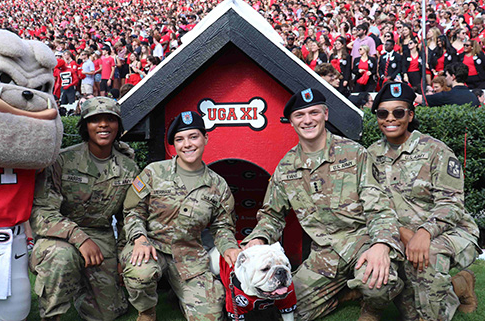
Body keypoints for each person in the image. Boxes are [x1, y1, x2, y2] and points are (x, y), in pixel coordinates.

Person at [242, 88, 404, 321]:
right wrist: (259, 238)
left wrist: (381, 245)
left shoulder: (353, 154)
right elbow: (271, 215)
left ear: (325, 114)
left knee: (379, 285)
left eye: (314, 112)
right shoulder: (286, 168)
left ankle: (372, 307)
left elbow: (379, 207)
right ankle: (346, 292)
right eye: (300, 115)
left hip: (361, 244)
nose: (308, 120)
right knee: (288, 312)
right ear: (291, 121)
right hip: (324, 256)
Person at [368, 82, 481, 321]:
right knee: (404, 301)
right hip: (399, 234)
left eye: (399, 112)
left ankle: (441, 301)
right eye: (383, 113)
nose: (391, 118)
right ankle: (457, 285)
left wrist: (424, 232)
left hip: (448, 231)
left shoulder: (435, 151)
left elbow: (451, 204)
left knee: (427, 262)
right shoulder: (370, 155)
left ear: (410, 115)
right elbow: (370, 203)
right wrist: (402, 232)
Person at [121, 111, 240, 321]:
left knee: (210, 316)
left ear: (205, 138)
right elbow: (133, 211)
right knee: (141, 274)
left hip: (189, 254)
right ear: (174, 145)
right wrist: (139, 239)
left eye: (193, 137)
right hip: (151, 246)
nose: (187, 144)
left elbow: (222, 227)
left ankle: (180, 293)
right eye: (179, 139)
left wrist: (229, 247)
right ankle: (146, 310)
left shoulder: (218, 185)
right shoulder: (154, 172)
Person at [29, 97, 139, 321]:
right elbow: (42, 213)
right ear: (85, 126)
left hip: (101, 236)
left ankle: (81, 287)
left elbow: (128, 216)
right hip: (59, 237)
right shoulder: (62, 160)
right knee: (62, 258)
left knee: (108, 314)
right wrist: (78, 237)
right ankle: (51, 316)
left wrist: (120, 256)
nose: (103, 125)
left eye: (110, 119)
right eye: (94, 120)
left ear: (118, 126)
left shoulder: (128, 167)